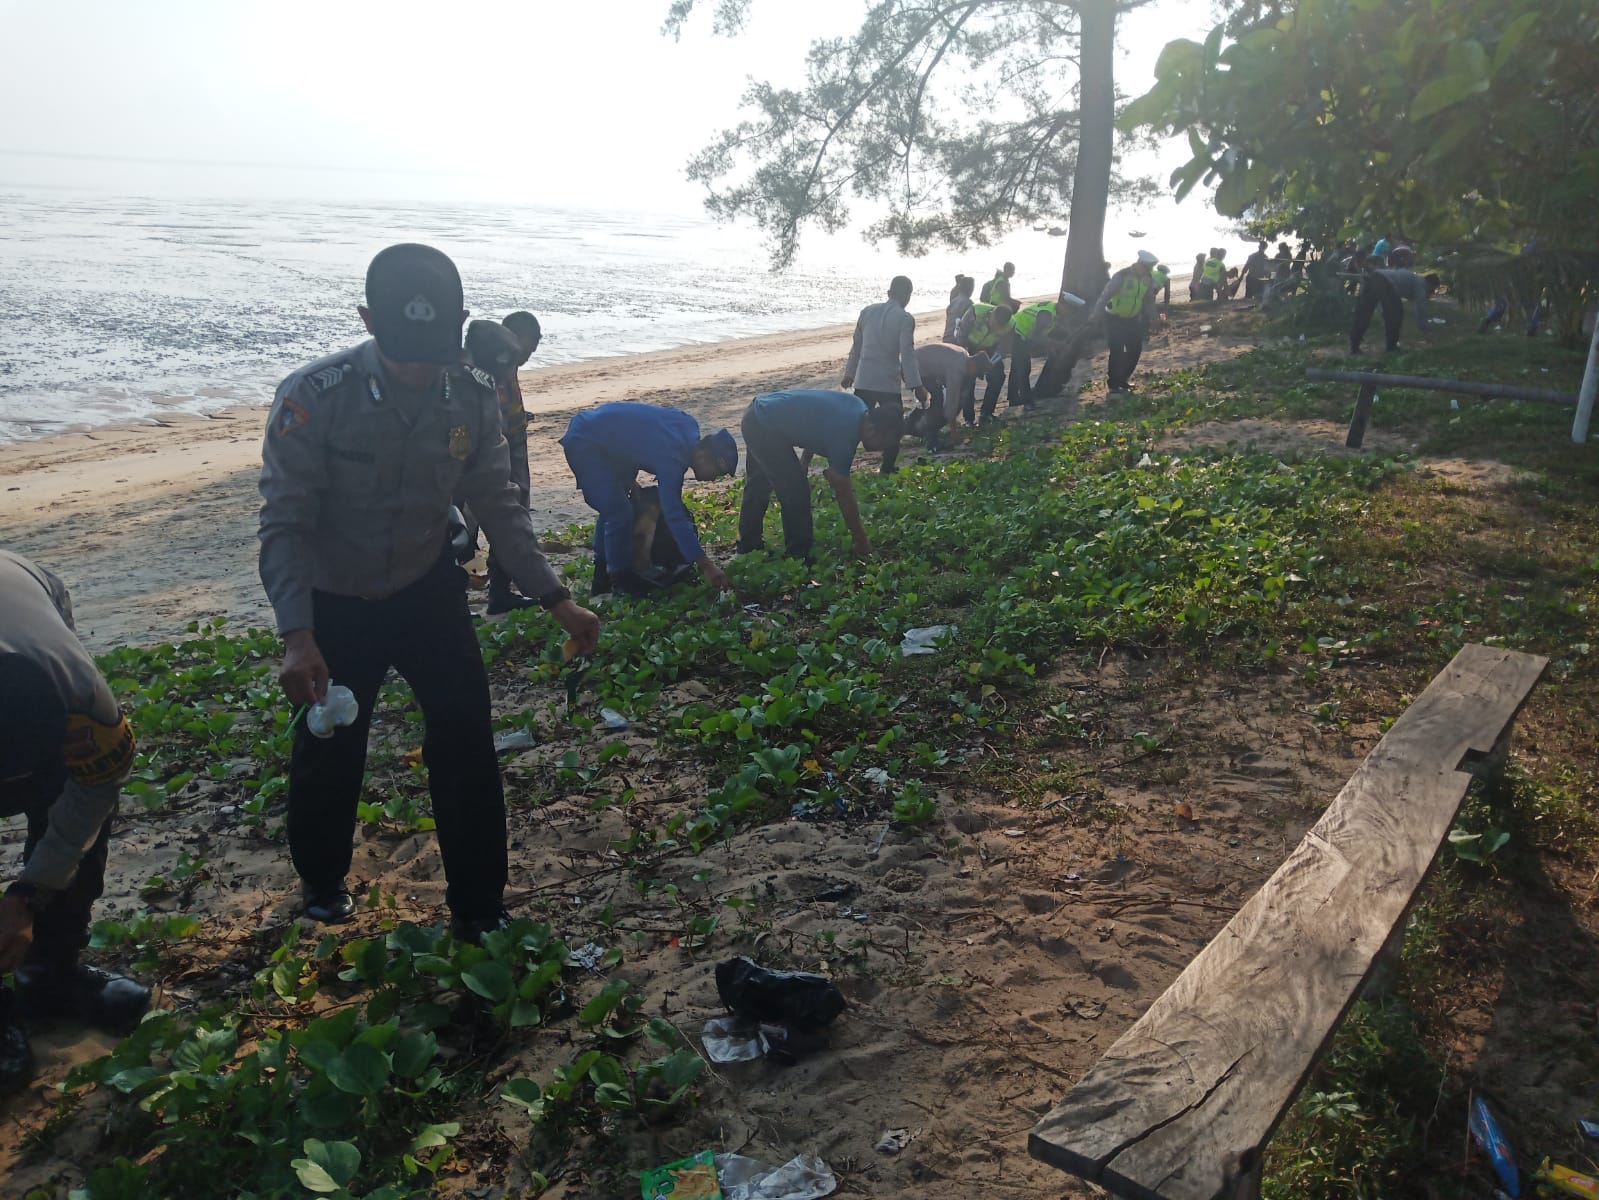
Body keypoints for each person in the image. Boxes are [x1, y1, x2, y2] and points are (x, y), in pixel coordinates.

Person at [257, 243, 601, 938]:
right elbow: (285, 523)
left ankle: (479, 906)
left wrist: (555, 596)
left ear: (460, 324)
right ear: (366, 320)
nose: (419, 370)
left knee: (467, 741)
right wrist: (299, 635)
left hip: (425, 590)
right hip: (334, 600)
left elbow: (499, 506)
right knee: (330, 745)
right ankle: (322, 881)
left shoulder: (472, 396)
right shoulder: (311, 397)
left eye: (432, 351)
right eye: (404, 350)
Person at [0, 552, 151, 1091]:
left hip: (25, 585)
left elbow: (93, 790)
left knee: (70, 807)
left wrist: (29, 894)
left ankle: (51, 974)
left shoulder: (82, 697)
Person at [558, 402, 739, 595]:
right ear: (702, 455)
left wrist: (628, 475)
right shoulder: (673, 460)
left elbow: (643, 434)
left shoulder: (688, 425)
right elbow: (674, 515)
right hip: (586, 442)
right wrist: (706, 566)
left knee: (616, 504)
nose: (713, 479)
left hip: (601, 434)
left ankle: (602, 576)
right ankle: (619, 580)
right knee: (618, 512)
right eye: (717, 472)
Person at [737, 389, 899, 561]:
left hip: (757, 411)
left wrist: (805, 461)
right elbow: (843, 491)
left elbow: (818, 426)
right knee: (796, 491)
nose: (881, 449)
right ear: (872, 429)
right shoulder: (847, 434)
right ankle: (798, 558)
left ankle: (747, 547)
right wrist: (861, 539)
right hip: (763, 424)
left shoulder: (858, 408)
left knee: (759, 484)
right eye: (884, 443)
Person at [462, 319, 538, 614]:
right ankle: (473, 581)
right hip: (492, 453)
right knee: (470, 526)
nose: (528, 354)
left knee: (512, 519)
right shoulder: (491, 366)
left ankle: (499, 590)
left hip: (514, 446)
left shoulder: (506, 361)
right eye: (528, 345)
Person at [841, 276, 928, 474]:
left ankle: (843, 463)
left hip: (864, 378)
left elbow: (857, 346)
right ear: (907, 296)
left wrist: (850, 373)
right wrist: (917, 386)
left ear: (889, 293)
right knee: (894, 425)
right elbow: (907, 354)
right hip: (887, 381)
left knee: (855, 424)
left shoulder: (867, 312)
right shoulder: (905, 319)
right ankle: (887, 466)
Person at [1092, 250, 1161, 394]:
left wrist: (1154, 317)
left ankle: (1122, 380)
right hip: (1114, 318)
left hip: (1133, 319)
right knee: (1117, 350)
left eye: (1150, 268)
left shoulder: (1147, 279)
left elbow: (1148, 300)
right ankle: (1113, 384)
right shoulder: (1122, 276)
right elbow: (1105, 296)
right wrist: (1096, 315)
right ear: (1139, 264)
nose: (1149, 270)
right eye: (1147, 267)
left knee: (1135, 350)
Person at [909, 343, 989, 449]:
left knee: (935, 399)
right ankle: (930, 439)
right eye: (976, 373)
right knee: (938, 399)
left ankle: (921, 426)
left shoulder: (963, 355)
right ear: (973, 364)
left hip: (917, 364)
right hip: (912, 368)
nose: (974, 376)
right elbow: (952, 401)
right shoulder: (957, 369)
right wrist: (953, 432)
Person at [1350, 266, 1440, 354]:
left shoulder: (1413, 279)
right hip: (1384, 281)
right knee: (1396, 314)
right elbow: (1421, 310)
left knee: (1364, 314)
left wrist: (1382, 311)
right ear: (1430, 284)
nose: (1431, 293)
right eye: (1432, 289)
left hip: (1372, 277)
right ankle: (1392, 347)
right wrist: (1426, 329)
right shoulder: (1421, 284)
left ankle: (1354, 346)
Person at [953, 301, 1013, 425]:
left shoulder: (1011, 325)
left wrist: (991, 364)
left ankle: (987, 413)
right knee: (968, 380)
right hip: (968, 345)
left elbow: (1003, 349)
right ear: (991, 315)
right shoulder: (975, 312)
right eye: (994, 324)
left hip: (990, 348)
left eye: (998, 328)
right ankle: (969, 419)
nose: (995, 328)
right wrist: (966, 357)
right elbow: (961, 335)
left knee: (998, 377)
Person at [1006, 299, 1059, 409]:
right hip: (1016, 333)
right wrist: (1052, 344)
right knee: (1024, 368)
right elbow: (1036, 336)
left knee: (1016, 367)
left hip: (1017, 330)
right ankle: (1027, 402)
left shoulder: (1052, 308)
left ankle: (1013, 397)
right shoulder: (1047, 314)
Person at [943, 275, 975, 343]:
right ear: (971, 289)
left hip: (946, 339)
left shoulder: (952, 303)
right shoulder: (969, 304)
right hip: (956, 341)